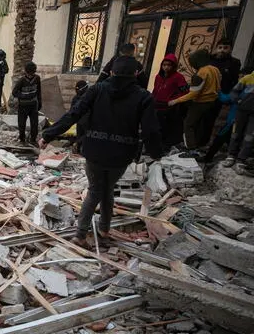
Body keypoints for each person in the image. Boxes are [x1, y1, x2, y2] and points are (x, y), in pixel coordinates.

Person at [40, 56, 161, 248]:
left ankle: (81, 235)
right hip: (121, 154)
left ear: (112, 72)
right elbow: (150, 130)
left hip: (94, 151)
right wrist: (156, 153)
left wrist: (48, 134)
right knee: (107, 189)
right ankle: (104, 228)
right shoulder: (143, 96)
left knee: (96, 190)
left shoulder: (97, 89)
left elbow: (74, 114)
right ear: (136, 74)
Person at [168, 49, 221, 158]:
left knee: (188, 124)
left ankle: (191, 149)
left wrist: (175, 101)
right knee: (200, 125)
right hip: (213, 101)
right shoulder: (215, 69)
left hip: (201, 102)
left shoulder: (201, 73)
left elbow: (193, 94)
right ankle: (197, 145)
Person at [151, 54, 189, 150]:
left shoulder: (178, 77)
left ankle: (165, 145)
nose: (166, 67)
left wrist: (174, 100)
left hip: (169, 107)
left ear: (174, 66)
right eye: (164, 65)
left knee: (166, 127)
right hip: (157, 105)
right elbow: (155, 90)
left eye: (169, 65)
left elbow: (184, 92)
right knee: (156, 126)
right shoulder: (158, 76)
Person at [222, 70, 254, 176]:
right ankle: (231, 155)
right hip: (241, 112)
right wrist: (238, 101)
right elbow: (234, 91)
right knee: (236, 133)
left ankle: (241, 160)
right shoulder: (247, 78)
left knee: (249, 137)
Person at [12, 62, 42, 146]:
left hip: (33, 105)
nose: (30, 76)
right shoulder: (22, 80)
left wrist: (40, 102)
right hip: (23, 106)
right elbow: (14, 92)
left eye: (32, 74)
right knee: (21, 124)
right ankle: (22, 139)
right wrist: (23, 96)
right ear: (26, 72)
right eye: (29, 74)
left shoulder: (37, 78)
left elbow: (39, 91)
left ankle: (33, 140)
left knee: (34, 124)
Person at [71, 80, 89, 153]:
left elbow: (71, 111)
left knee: (80, 135)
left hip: (79, 121)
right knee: (86, 136)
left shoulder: (75, 98)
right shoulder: (89, 97)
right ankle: (79, 147)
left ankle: (78, 148)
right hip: (87, 121)